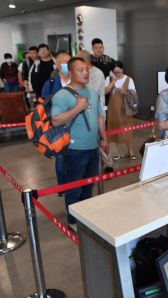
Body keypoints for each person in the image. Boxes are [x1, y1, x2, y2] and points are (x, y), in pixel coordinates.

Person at [51, 57, 109, 231]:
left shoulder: (91, 91)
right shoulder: (62, 95)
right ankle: (73, 220)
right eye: (80, 70)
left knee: (88, 185)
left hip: (93, 148)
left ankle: (84, 216)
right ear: (71, 72)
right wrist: (77, 107)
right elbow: (55, 121)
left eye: (86, 69)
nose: (85, 73)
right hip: (74, 150)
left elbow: (99, 116)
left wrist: (104, 138)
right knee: (74, 187)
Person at [41, 51, 71, 196]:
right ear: (58, 65)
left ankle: (76, 185)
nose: (68, 65)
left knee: (75, 157)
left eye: (70, 61)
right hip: (58, 128)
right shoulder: (51, 83)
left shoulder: (76, 80)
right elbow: (42, 105)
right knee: (60, 159)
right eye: (65, 62)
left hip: (75, 126)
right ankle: (62, 188)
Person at [105, 61, 137, 160]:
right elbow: (105, 91)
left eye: (119, 72)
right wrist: (113, 82)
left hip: (125, 108)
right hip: (113, 109)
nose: (117, 75)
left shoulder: (129, 79)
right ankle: (119, 152)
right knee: (116, 129)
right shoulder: (109, 78)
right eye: (115, 73)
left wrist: (126, 92)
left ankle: (130, 150)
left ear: (122, 69)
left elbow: (134, 94)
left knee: (127, 129)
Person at [76, 50, 106, 117]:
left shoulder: (97, 74)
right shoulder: (82, 73)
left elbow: (88, 93)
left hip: (97, 114)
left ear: (84, 61)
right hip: (85, 112)